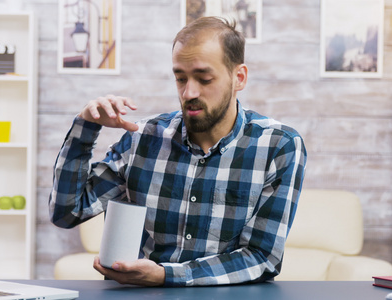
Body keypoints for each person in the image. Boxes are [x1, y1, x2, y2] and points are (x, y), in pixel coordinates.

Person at [49, 16, 307, 287]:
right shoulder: (142, 138)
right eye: (180, 78)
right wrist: (85, 130)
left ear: (238, 77)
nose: (188, 92)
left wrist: (166, 275)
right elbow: (67, 213)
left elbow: (261, 257)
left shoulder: (279, 146)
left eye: (204, 79)